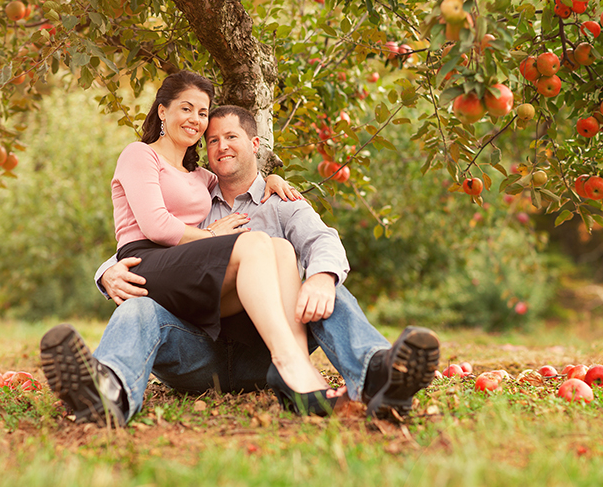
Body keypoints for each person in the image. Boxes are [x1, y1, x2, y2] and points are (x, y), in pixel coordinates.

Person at [41, 103, 441, 425]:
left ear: (255, 143)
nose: (221, 146)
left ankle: (380, 375)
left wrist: (320, 277)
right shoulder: (193, 201)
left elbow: (324, 241)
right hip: (196, 354)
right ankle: (107, 391)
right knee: (141, 308)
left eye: (231, 136)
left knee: (327, 290)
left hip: (265, 354)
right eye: (212, 140)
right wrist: (106, 270)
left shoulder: (280, 201)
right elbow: (151, 245)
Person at [94, 71, 342, 414]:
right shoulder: (140, 155)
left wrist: (271, 177)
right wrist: (211, 236)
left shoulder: (202, 177)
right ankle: (289, 364)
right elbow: (156, 226)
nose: (195, 119)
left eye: (201, 112)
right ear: (162, 111)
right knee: (254, 243)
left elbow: (238, 176)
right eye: (186, 108)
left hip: (185, 270)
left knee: (281, 248)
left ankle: (295, 370)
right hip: (147, 261)